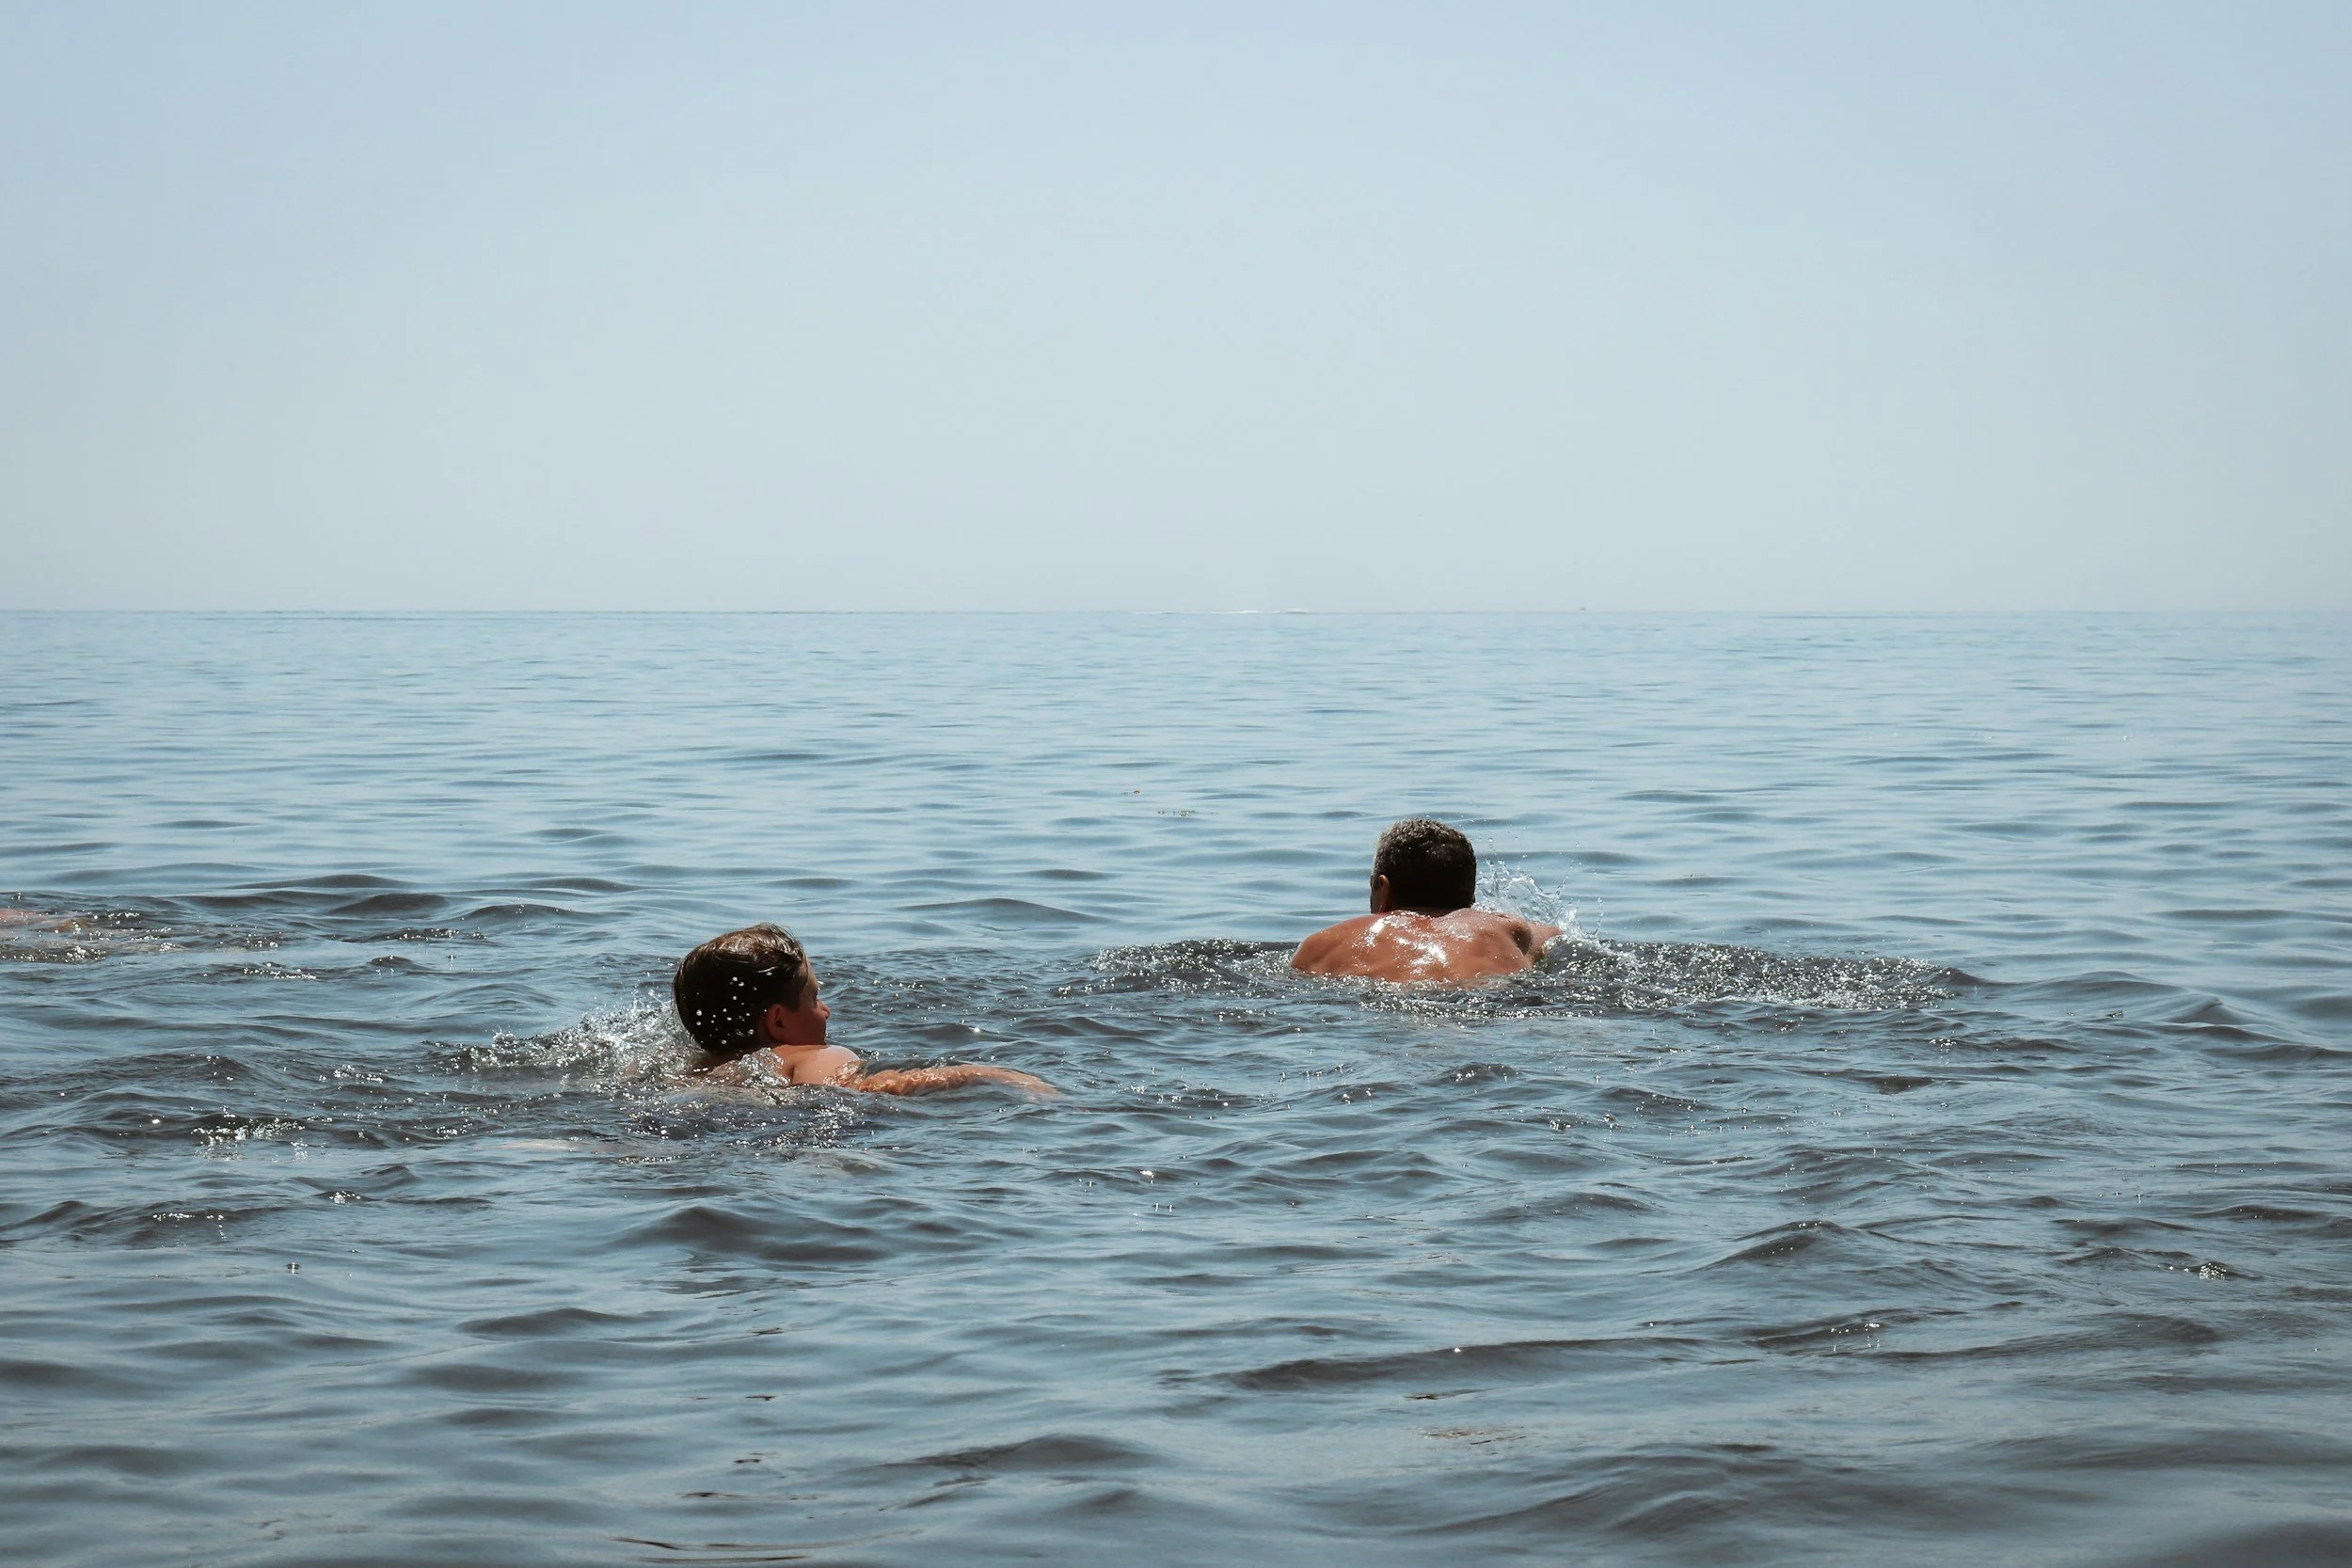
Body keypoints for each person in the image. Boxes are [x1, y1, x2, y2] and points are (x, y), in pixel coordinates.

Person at [674, 924, 1055, 1097]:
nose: (826, 1010)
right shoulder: (811, 1056)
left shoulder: (690, 1068)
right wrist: (989, 1074)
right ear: (778, 1021)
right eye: (813, 998)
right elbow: (859, 1088)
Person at [1291, 818, 1561, 984]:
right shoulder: (1512, 931)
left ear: (1382, 889)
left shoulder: (1321, 946)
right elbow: (1561, 940)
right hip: (1483, 1007)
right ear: (1471, 896)